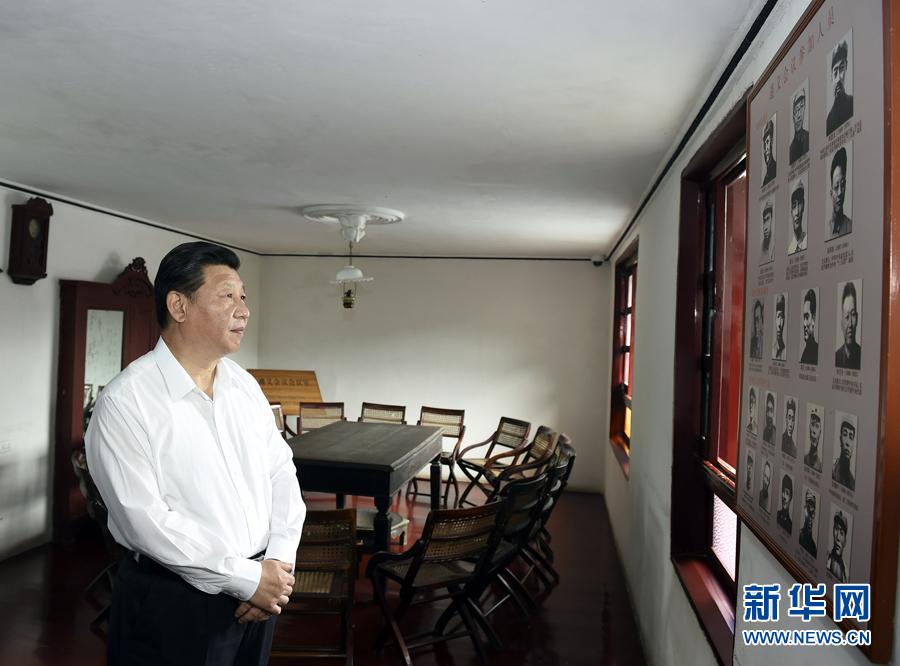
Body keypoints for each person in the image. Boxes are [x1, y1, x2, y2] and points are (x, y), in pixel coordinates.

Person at [85, 242, 306, 666]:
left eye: (243, 296)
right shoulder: (126, 402)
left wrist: (276, 565)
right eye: (227, 295)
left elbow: (281, 473)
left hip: (260, 593)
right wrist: (248, 579)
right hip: (173, 601)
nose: (243, 310)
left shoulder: (243, 386)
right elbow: (143, 521)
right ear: (179, 306)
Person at [826, 41, 854, 135]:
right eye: (835, 73)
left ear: (846, 67)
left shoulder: (853, 102)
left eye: (841, 69)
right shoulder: (829, 120)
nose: (838, 78)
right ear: (831, 79)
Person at [827, 147, 852, 240]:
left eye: (843, 184)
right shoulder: (825, 231)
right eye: (836, 187)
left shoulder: (850, 226)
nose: (840, 192)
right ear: (831, 193)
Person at [835, 281, 861, 369]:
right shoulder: (836, 357)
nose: (850, 324)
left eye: (852, 315)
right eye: (846, 317)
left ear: (857, 318)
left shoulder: (862, 356)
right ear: (841, 323)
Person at [832, 418, 857, 491]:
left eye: (851, 437)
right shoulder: (832, 468)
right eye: (845, 435)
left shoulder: (853, 483)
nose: (847, 443)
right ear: (840, 440)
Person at [826, 511, 850, 583]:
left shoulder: (846, 575)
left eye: (841, 533)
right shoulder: (825, 559)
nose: (838, 537)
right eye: (836, 529)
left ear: (845, 542)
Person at [789, 89, 809, 163]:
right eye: (796, 110)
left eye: (801, 108)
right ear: (793, 118)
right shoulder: (790, 150)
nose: (799, 115)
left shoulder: (809, 138)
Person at [788, 180, 807, 255]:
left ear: (803, 206)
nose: (797, 212)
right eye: (794, 206)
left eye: (799, 203)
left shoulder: (808, 241)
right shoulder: (789, 251)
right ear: (791, 213)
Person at [800, 289, 819, 365]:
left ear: (813, 318)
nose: (804, 323)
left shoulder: (816, 352)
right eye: (804, 317)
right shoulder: (805, 353)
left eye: (807, 317)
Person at [798, 490, 818, 558]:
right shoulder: (798, 536)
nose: (810, 516)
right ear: (804, 509)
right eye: (808, 509)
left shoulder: (813, 547)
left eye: (812, 511)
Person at [804, 406, 823, 472]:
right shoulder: (803, 458)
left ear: (820, 433)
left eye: (817, 426)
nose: (814, 431)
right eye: (812, 424)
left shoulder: (821, 467)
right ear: (809, 428)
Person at [762, 119, 777, 186]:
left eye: (767, 142)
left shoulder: (776, 169)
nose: (766, 149)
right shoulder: (765, 179)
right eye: (764, 145)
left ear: (772, 141)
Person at [772, 294, 786, 361]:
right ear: (775, 319)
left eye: (781, 317)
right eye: (778, 317)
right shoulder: (773, 350)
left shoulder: (786, 351)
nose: (779, 325)